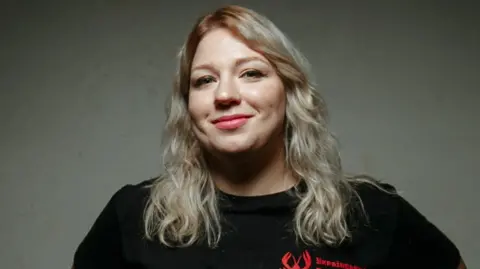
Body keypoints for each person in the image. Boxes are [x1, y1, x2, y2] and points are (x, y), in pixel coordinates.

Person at [72, 5, 466, 269]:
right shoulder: (133, 218)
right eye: (204, 80)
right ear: (188, 105)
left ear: (290, 92)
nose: (225, 95)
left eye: (252, 73)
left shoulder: (373, 213)